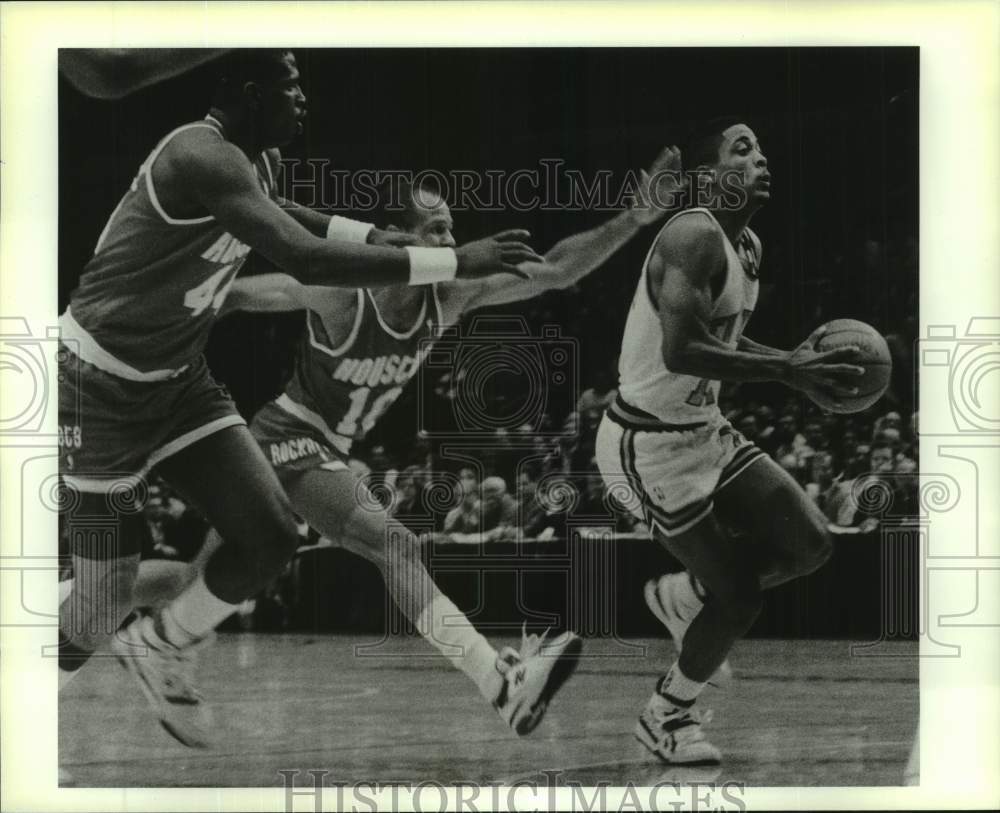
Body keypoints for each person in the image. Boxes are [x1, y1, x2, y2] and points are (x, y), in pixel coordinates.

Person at [116, 145, 684, 746]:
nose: (451, 238)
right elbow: (236, 295)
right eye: (436, 228)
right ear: (399, 240)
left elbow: (559, 270)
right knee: (394, 544)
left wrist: (633, 218)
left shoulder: (450, 298)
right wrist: (150, 335)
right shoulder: (344, 293)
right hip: (287, 437)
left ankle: (86, 603)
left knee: (196, 581)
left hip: (326, 448)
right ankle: (500, 683)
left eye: (452, 228)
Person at [56, 48, 541, 743]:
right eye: (290, 81)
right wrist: (455, 258)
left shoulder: (256, 162)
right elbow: (302, 256)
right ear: (252, 93)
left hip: (178, 380)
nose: (303, 95)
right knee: (102, 599)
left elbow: (285, 212)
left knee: (272, 535)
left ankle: (160, 644)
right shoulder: (202, 154)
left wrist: (374, 233)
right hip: (98, 384)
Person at [595, 117, 865, 764]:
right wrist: (785, 371)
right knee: (740, 595)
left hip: (702, 429)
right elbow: (683, 348)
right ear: (707, 178)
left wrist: (789, 363)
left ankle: (685, 595)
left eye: (762, 148)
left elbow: (723, 341)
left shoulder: (747, 248)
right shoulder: (691, 234)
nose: (761, 158)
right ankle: (665, 715)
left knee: (812, 543)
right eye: (741, 150)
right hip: (647, 443)